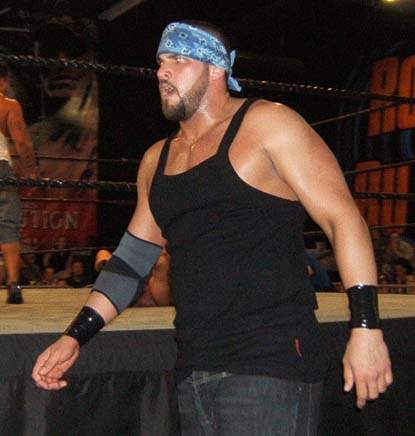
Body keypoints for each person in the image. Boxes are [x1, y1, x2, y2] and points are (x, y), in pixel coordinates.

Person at [32, 21, 392, 435]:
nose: (163, 72)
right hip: (195, 364)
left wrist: (366, 327)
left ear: (216, 69)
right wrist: (74, 336)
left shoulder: (267, 125)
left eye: (178, 60)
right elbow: (131, 262)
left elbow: (342, 218)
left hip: (270, 362)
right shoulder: (156, 160)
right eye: (160, 62)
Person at [0, 62, 38, 303]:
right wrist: (31, 169)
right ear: (4, 81)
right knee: (7, 224)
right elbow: (22, 141)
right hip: (0, 166)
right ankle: (13, 284)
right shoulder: (7, 105)